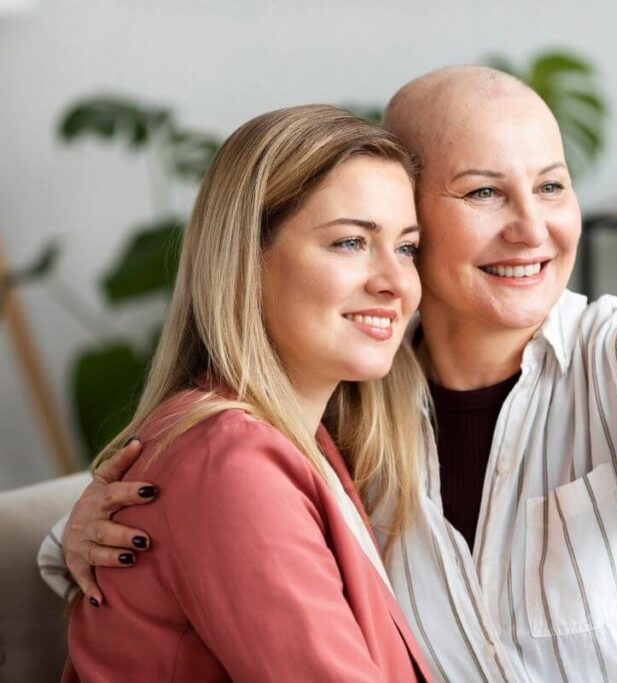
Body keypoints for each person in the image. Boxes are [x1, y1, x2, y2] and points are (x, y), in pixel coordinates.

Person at [43, 67, 617, 682]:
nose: (534, 228)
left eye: (553, 186)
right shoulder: (336, 396)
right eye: (484, 192)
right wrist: (82, 528)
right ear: (419, 218)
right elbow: (214, 520)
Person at [53, 104, 431, 682]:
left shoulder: (300, 442)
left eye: (406, 248)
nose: (396, 281)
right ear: (246, 262)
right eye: (351, 242)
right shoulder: (231, 458)